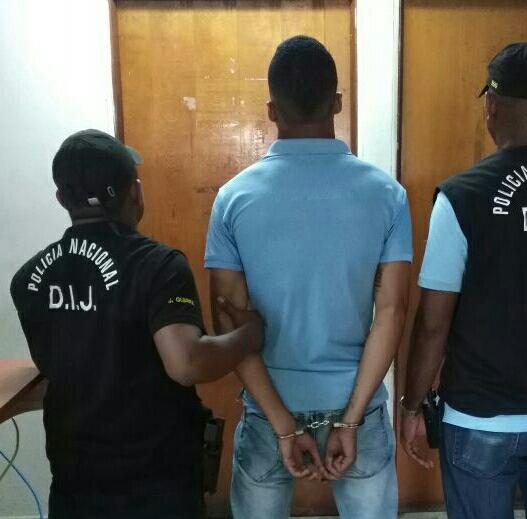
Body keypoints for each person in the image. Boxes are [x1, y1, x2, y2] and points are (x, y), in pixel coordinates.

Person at [205, 36, 412, 519]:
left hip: (267, 409)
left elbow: (228, 323)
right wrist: (351, 420)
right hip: (359, 407)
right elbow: (392, 312)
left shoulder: (233, 199)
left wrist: (283, 425)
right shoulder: (387, 195)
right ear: (336, 103)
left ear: (272, 110)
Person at [10, 129, 264, 519]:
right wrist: (249, 334)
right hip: (155, 484)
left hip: (75, 481)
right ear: (135, 193)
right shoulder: (157, 266)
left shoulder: (29, 279)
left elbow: (64, 363)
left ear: (62, 199)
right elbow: (187, 362)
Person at [401, 41, 527, 519]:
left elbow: (433, 323)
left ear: (492, 105)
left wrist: (412, 404)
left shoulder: (462, 196)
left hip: (481, 418)